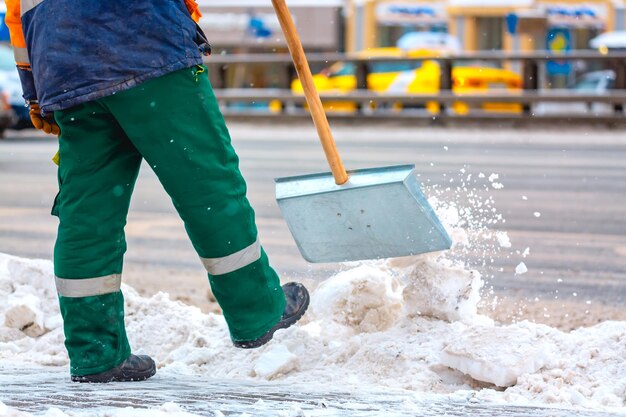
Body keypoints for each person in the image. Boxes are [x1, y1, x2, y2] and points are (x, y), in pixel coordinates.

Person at [4, 0, 309, 383]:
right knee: (208, 186)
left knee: (88, 212)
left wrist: (35, 89)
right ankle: (257, 312)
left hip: (66, 68)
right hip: (144, 46)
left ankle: (96, 352)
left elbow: (18, 13)